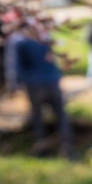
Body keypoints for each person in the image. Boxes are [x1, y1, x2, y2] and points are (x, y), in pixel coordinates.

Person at [15, 26, 74, 158]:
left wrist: (18, 84)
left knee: (37, 115)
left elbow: (18, 66)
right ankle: (67, 146)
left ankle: (42, 146)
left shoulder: (22, 44)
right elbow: (53, 60)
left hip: (35, 84)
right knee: (60, 114)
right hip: (52, 82)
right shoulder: (47, 40)